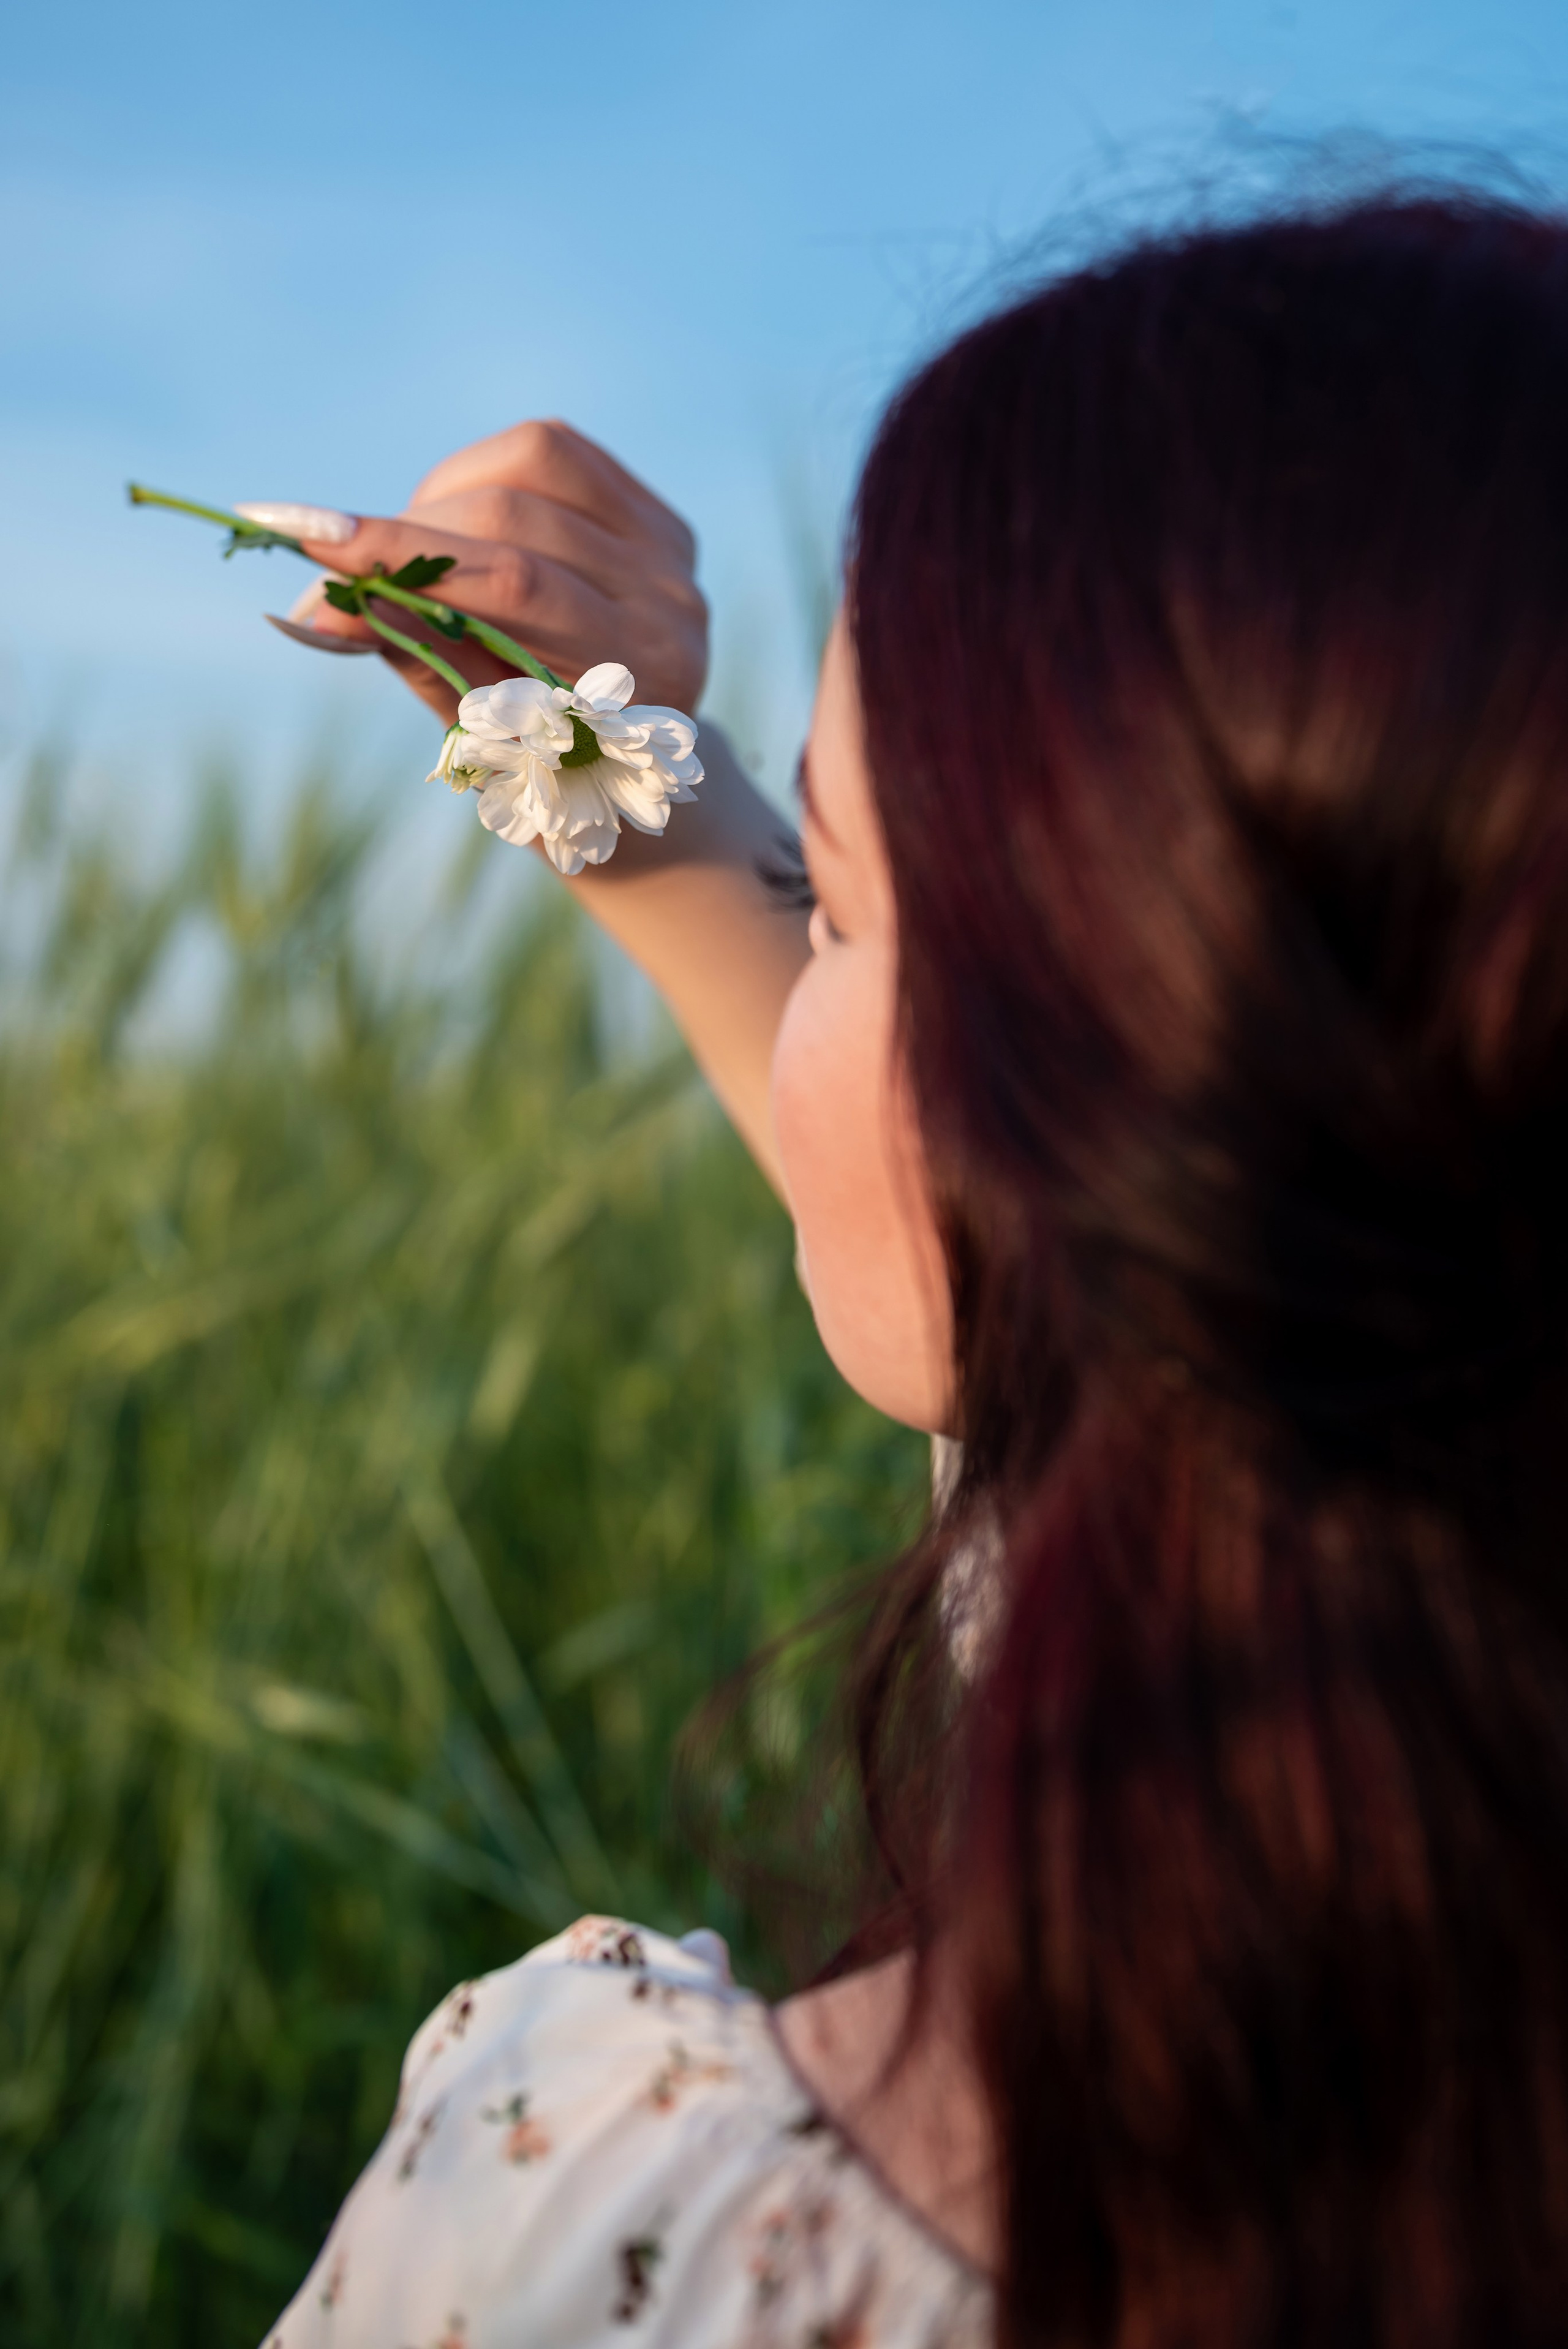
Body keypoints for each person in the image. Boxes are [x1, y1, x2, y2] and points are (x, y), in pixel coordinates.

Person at [262, 192, 1568, 2347]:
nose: (796, 1006)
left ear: (1133, 1143)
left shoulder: (612, 2217)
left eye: (847, 908)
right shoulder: (1396, 1431)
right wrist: (593, 748)